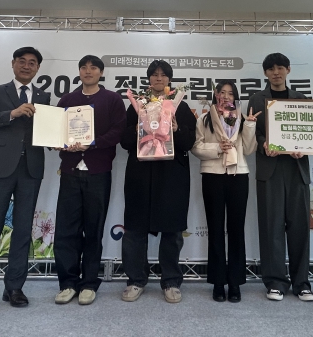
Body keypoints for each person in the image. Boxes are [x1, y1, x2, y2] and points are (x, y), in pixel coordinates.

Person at [0, 47, 51, 315]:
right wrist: (12, 113)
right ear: (13, 64)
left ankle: (15, 287)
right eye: (22, 61)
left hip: (31, 169)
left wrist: (60, 140)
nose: (27, 66)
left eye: (32, 63)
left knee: (23, 230)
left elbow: (46, 131)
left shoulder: (43, 96)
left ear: (38, 68)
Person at [120, 60, 197, 304]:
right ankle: (135, 280)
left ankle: (171, 281)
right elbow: (123, 140)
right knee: (134, 230)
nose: (158, 78)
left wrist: (177, 128)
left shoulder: (179, 106)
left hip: (172, 176)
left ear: (169, 80)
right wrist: (136, 129)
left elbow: (189, 142)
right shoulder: (137, 105)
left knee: (172, 231)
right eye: (154, 75)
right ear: (148, 79)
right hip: (140, 175)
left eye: (163, 75)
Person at [53, 55, 126, 306]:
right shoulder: (67, 100)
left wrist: (92, 143)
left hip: (98, 172)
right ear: (79, 72)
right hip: (70, 172)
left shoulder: (112, 99)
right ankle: (67, 283)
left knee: (94, 230)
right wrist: (58, 142)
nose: (88, 71)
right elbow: (55, 131)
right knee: (66, 230)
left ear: (101, 72)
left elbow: (118, 132)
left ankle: (89, 284)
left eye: (93, 67)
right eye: (83, 67)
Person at [247, 52, 313, 302]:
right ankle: (275, 282)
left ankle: (302, 283)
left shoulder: (301, 99)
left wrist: (304, 147)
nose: (276, 73)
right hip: (270, 169)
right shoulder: (256, 99)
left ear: (288, 70)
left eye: (280, 68)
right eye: (271, 69)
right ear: (265, 73)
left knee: (299, 228)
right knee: (271, 227)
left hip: (297, 169)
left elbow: (310, 132)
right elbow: (253, 132)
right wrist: (264, 143)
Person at [191, 80, 259, 303]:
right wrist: (217, 148)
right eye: (222, 92)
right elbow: (196, 147)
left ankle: (235, 282)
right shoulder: (204, 119)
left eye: (230, 93)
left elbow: (248, 149)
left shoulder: (240, 118)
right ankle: (218, 282)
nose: (226, 96)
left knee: (236, 229)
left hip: (238, 175)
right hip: (212, 176)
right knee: (215, 229)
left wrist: (249, 125)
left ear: (235, 97)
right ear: (216, 95)